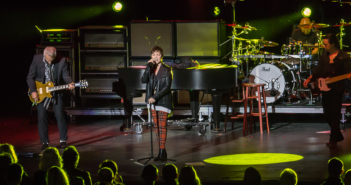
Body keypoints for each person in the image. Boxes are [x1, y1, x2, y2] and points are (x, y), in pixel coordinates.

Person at [303, 34, 351, 149]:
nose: (324, 46)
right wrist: (310, 78)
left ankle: (333, 139)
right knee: (327, 114)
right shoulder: (324, 54)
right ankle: (337, 135)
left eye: (326, 44)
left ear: (333, 44)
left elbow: (348, 72)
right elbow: (318, 69)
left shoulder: (344, 56)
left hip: (337, 88)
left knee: (335, 114)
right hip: (324, 87)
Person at [27, 46, 74, 151]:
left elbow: (65, 75)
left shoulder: (61, 60)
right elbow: (30, 77)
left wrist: (70, 83)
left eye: (52, 60)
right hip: (41, 91)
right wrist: (33, 91)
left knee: (60, 115)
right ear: (44, 54)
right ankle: (45, 142)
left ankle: (63, 140)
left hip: (56, 90)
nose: (49, 62)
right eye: (48, 60)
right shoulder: (37, 59)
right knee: (42, 116)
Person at [141, 46, 173, 162]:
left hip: (163, 100)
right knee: (156, 126)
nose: (156, 57)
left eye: (158, 54)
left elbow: (167, 87)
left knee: (162, 126)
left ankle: (161, 150)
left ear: (162, 56)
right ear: (151, 56)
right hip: (152, 102)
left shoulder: (167, 69)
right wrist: (147, 67)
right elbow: (143, 80)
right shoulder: (150, 68)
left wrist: (155, 97)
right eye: (154, 55)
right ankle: (161, 152)